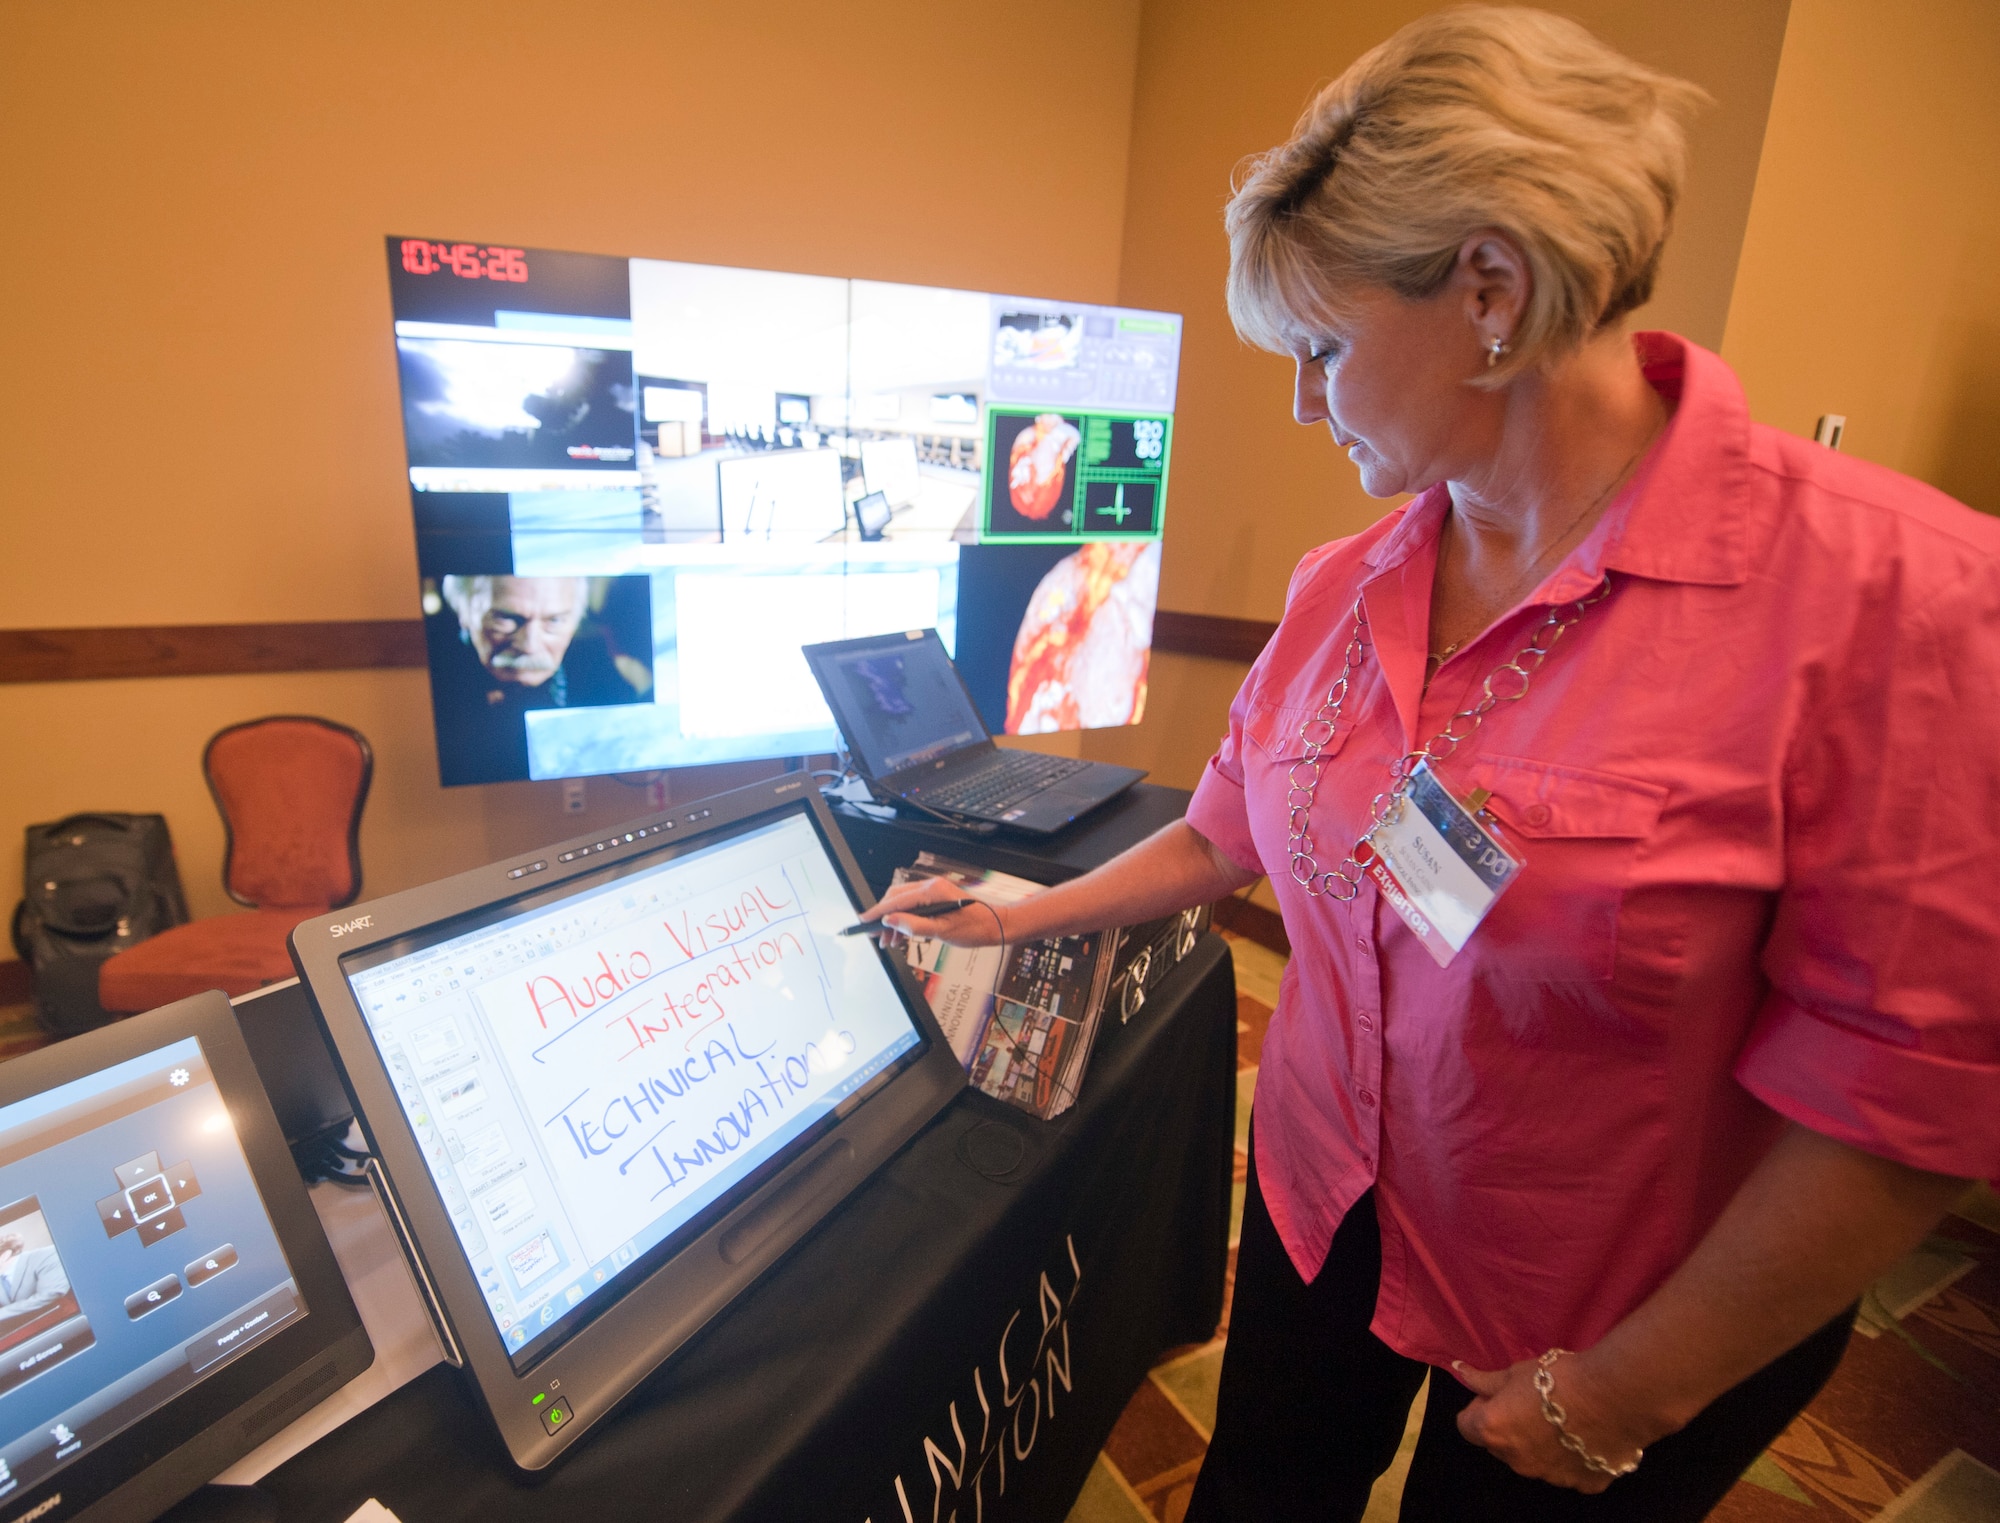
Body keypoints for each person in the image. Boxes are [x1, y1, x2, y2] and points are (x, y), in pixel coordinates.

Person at [867, 10, 2000, 1521]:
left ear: (1490, 290)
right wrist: (1017, 912)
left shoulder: (1898, 596)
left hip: (1600, 1311)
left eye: (1322, 350)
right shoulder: (1351, 580)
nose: (1298, 401)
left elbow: (1899, 1102)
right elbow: (1223, 835)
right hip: (1328, 1196)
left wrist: (1628, 1388)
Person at [426, 574, 644, 785]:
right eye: (506, 618)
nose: (530, 645)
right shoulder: (436, 687)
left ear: (575, 622)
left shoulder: (604, 677)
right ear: (465, 613)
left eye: (554, 620)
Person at [0, 1231, 69, 1329]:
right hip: (28, 1334)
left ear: (4, 1256)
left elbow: (49, 1295)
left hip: (63, 1325)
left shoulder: (47, 1255)